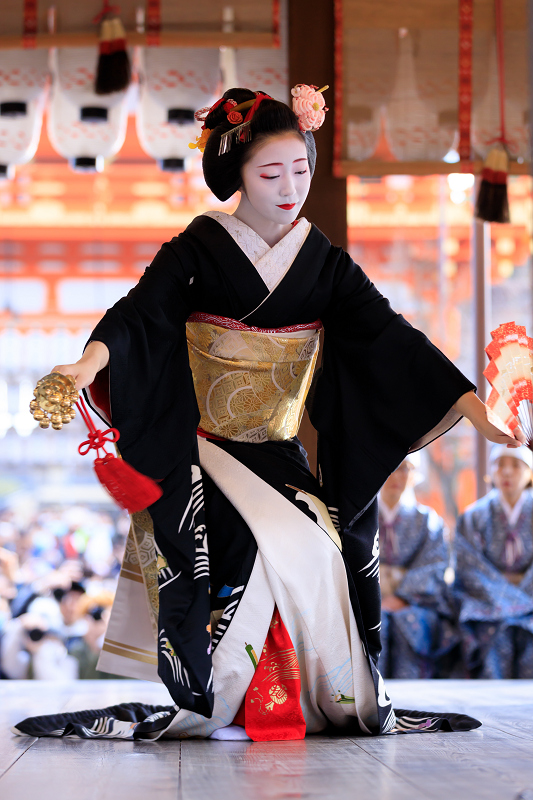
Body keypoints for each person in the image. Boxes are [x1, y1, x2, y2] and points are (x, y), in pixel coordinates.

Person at [13, 86, 521, 742]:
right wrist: (86, 368)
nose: (289, 188)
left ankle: (307, 699)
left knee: (321, 545)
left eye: (301, 171)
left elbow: (391, 338)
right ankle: (221, 700)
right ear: (237, 175)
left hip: (278, 450)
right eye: (269, 173)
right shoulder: (198, 247)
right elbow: (141, 313)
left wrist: (474, 409)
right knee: (257, 547)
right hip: (207, 447)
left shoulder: (324, 263)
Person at [454, 444, 533, 679]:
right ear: (490, 472)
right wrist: (509, 595)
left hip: (531, 602)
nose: (506, 472)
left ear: (530, 472)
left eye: (515, 465)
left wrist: (517, 598)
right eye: (500, 465)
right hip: (489, 604)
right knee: (494, 631)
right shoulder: (473, 516)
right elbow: (468, 566)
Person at [378, 458, 459, 679]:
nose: (396, 476)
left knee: (410, 623)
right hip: (370, 601)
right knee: (375, 623)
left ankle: (414, 697)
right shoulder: (360, 517)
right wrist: (377, 598)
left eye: (405, 468)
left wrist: (402, 597)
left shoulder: (428, 520)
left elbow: (434, 565)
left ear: (415, 475)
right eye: (391, 467)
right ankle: (371, 698)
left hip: (415, 602)